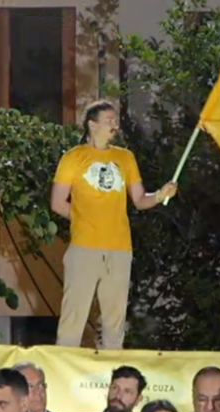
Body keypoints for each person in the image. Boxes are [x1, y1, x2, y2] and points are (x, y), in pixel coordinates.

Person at [51, 101, 177, 349]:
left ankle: (114, 367)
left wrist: (160, 195)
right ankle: (63, 365)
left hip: (120, 248)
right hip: (84, 247)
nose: (115, 125)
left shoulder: (125, 157)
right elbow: (57, 203)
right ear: (92, 124)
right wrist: (83, 219)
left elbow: (139, 200)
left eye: (116, 120)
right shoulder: (73, 157)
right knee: (73, 316)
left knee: (115, 319)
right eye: (109, 120)